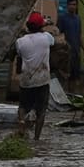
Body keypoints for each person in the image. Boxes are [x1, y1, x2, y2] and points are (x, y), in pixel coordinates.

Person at [14, 12, 55, 141]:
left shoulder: (20, 42)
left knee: (23, 106)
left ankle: (21, 122)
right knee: (41, 110)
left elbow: (19, 57)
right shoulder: (46, 38)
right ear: (40, 26)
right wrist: (47, 23)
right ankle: (36, 139)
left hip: (26, 80)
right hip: (42, 80)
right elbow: (53, 42)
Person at [58, 0, 83, 87]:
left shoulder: (78, 19)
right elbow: (59, 35)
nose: (73, 6)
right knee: (65, 76)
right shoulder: (62, 18)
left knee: (75, 76)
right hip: (67, 53)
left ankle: (73, 96)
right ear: (67, 6)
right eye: (71, 4)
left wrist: (83, 50)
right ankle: (66, 96)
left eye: (75, 5)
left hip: (76, 52)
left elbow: (80, 35)